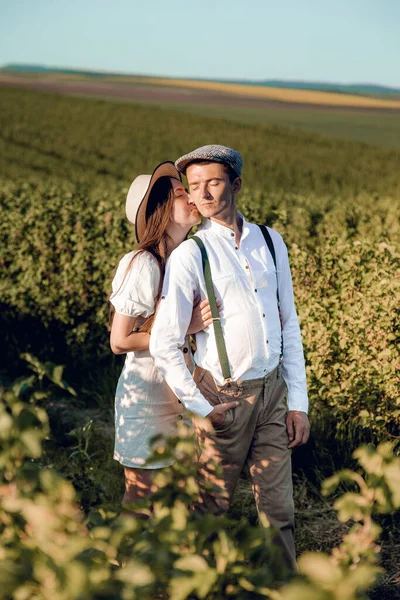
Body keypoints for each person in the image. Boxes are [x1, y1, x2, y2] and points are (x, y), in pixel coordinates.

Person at [149, 145, 310, 571]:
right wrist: (202, 409)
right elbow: (163, 343)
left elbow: (289, 325)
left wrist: (298, 403)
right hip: (222, 394)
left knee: (279, 511)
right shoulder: (190, 254)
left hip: (273, 390)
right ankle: (191, 585)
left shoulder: (272, 243)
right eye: (194, 186)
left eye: (213, 183)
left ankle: (284, 588)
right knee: (209, 509)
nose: (201, 194)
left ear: (236, 185)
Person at [109, 161, 223, 512]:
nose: (191, 197)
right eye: (179, 194)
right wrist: (182, 328)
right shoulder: (143, 263)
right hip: (145, 399)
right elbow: (119, 340)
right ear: (161, 210)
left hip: (180, 396)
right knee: (141, 499)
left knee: (178, 500)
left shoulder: (185, 261)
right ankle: (121, 564)